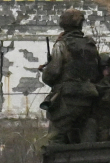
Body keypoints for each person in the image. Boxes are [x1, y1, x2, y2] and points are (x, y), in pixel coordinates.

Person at [40, 9, 101, 145]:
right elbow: (98, 72)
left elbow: (52, 73)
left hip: (67, 99)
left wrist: (45, 72)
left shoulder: (62, 44)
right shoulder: (91, 45)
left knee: (55, 138)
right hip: (89, 99)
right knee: (86, 138)